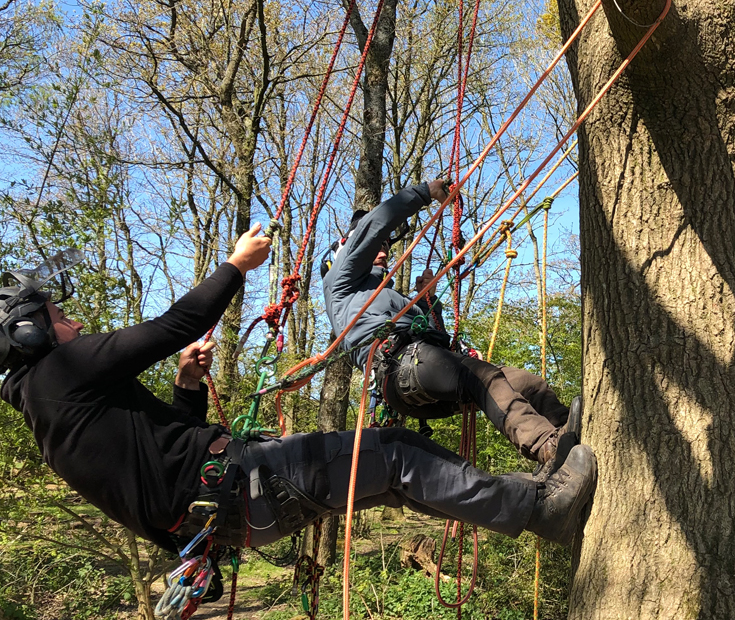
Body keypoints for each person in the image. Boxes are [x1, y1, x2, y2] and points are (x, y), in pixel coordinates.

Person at [0, 225, 597, 559]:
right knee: (392, 454)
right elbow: (171, 327)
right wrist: (236, 265)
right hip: (242, 487)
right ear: (26, 331)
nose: (74, 325)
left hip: (230, 515)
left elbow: (161, 450)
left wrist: (187, 390)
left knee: (393, 476)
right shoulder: (58, 371)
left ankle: (530, 497)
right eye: (59, 315)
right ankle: (541, 510)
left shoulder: (50, 411)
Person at [321, 180, 582, 478]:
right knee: (481, 376)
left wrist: (430, 302)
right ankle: (546, 446)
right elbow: (372, 226)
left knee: (526, 383)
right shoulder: (341, 282)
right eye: (375, 249)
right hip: (399, 368)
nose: (382, 252)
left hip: (420, 368)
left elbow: (440, 347)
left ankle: (568, 437)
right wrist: (424, 193)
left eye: (384, 248)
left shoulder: (390, 297)